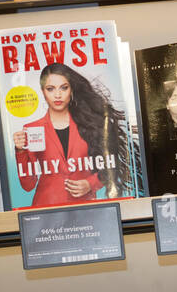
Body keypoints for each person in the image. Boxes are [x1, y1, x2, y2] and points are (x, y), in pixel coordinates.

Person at [14, 62, 130, 206]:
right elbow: (28, 185)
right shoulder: (32, 129)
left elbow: (110, 166)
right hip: (46, 210)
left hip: (85, 208)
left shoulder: (91, 124)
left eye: (64, 88)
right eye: (50, 89)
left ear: (72, 89)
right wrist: (20, 151)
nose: (57, 95)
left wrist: (90, 184)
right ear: (43, 91)